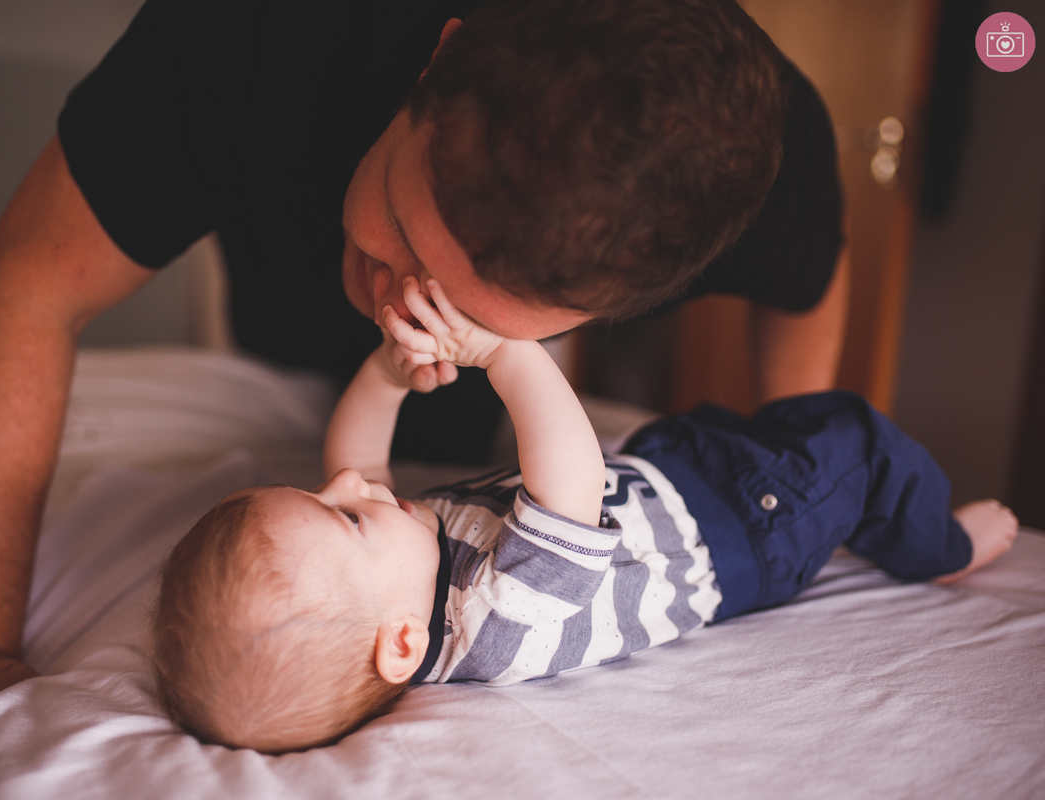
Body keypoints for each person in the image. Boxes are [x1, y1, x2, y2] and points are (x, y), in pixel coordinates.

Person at [0, 0, 852, 725]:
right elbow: (28, 282)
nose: (406, 299)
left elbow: (809, 284)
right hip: (284, 316)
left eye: (465, 304)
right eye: (401, 230)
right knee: (307, 349)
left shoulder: (751, 152)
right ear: (436, 65)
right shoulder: (250, 31)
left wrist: (800, 449)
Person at [151, 277, 1017, 754]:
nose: (349, 488)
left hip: (675, 472)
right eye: (346, 519)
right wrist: (504, 354)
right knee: (852, 440)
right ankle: (935, 543)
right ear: (403, 645)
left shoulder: (392, 577)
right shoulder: (496, 619)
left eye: (320, 496)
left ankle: (874, 516)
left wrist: (386, 370)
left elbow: (354, 457)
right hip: (748, 530)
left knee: (772, 426)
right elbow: (567, 477)